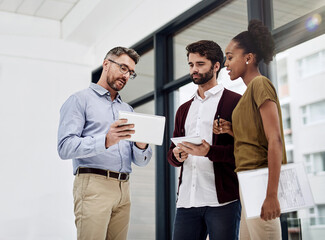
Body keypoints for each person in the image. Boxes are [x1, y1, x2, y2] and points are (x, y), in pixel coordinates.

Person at [57, 46, 152, 240]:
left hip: (123, 189)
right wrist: (105, 140)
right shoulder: (79, 100)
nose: (126, 76)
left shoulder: (128, 109)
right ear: (106, 64)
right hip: (93, 186)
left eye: (131, 73)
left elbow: (141, 161)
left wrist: (141, 146)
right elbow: (64, 147)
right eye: (123, 68)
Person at [167, 40, 242, 240]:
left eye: (200, 64)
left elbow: (243, 152)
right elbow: (171, 155)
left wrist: (209, 152)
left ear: (216, 66)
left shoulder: (235, 102)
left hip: (222, 201)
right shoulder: (183, 109)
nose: (194, 70)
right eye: (191, 65)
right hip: (186, 202)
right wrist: (177, 155)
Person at [220, 19, 287, 239]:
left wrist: (271, 195)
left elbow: (275, 139)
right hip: (247, 181)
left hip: (260, 181)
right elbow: (254, 137)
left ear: (248, 58)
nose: (225, 64)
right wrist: (231, 130)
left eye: (229, 57)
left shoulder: (260, 84)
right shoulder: (247, 95)